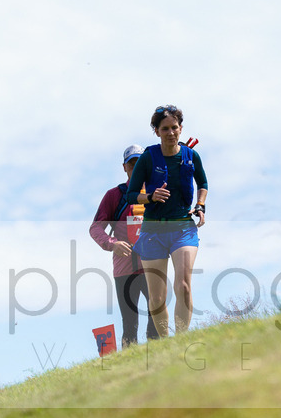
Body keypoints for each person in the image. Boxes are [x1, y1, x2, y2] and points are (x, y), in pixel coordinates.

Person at [125, 105, 208, 337]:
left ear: (181, 129)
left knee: (183, 286)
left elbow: (203, 184)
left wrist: (200, 205)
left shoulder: (192, 156)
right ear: (156, 131)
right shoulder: (148, 158)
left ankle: (181, 339)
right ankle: (165, 343)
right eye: (165, 129)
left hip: (183, 228)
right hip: (152, 230)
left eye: (174, 127)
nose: (171, 132)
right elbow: (132, 195)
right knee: (158, 297)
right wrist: (150, 197)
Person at [89, 144, 159, 348]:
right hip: (124, 269)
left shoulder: (157, 193)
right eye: (131, 164)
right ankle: (128, 365)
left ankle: (156, 356)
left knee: (157, 313)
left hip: (152, 265)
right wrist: (112, 244)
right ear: (124, 167)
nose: (136, 167)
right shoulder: (114, 196)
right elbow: (95, 228)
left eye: (140, 163)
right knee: (130, 324)